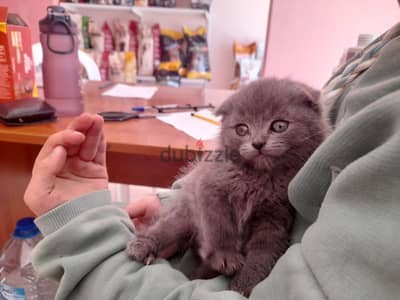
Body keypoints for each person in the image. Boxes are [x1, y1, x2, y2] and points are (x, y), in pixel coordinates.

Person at [24, 19, 400, 300]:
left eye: (277, 127)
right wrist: (170, 207)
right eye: (244, 130)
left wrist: (82, 231)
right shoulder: (379, 51)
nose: (256, 141)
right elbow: (210, 190)